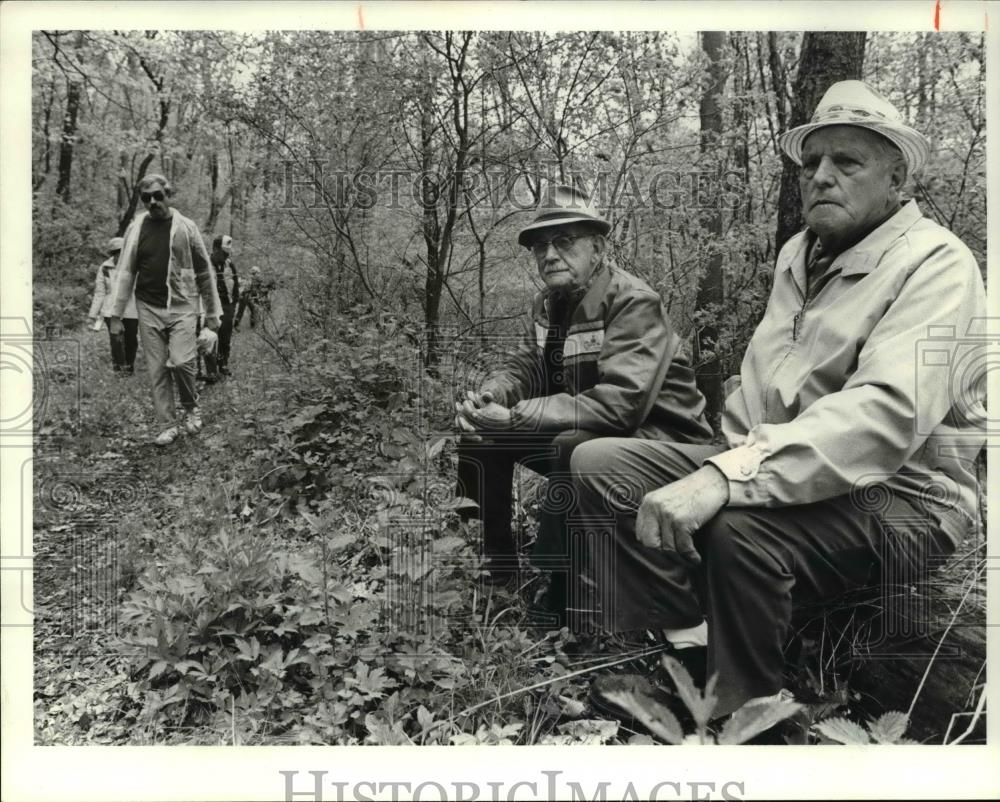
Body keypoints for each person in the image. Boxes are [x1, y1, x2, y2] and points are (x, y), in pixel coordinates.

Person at [568, 81, 987, 719]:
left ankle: (751, 717)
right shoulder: (799, 254)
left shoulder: (937, 265)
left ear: (896, 177)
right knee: (598, 464)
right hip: (784, 466)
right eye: (811, 163)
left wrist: (725, 476)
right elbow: (770, 385)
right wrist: (725, 454)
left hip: (906, 496)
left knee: (741, 526)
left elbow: (884, 416)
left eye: (847, 162)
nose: (821, 177)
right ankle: (694, 651)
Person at [453, 184, 713, 597]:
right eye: (540, 246)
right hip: (596, 431)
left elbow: (622, 405)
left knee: (569, 446)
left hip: (665, 442)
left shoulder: (632, 301)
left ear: (597, 247)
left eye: (564, 241)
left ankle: (565, 591)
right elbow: (525, 365)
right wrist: (493, 396)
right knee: (481, 436)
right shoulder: (547, 303)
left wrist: (519, 415)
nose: (550, 254)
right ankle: (494, 567)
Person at [107, 174, 222, 446]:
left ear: (168, 195)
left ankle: (191, 407)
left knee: (182, 361)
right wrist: (116, 315)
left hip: (182, 305)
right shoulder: (136, 227)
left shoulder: (186, 227)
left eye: (158, 195)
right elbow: (125, 271)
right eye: (147, 198)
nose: (153, 201)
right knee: (157, 369)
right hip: (147, 306)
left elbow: (205, 271)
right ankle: (168, 425)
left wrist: (212, 313)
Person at [87, 236, 138, 375]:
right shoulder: (104, 268)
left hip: (131, 309)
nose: (120, 255)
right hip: (110, 310)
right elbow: (100, 292)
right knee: (116, 340)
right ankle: (119, 370)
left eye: (122, 251)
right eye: (116, 252)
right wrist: (93, 315)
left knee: (131, 340)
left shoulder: (134, 267)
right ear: (112, 253)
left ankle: (129, 367)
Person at [210, 234, 240, 374]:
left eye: (227, 252)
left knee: (225, 337)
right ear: (215, 249)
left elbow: (235, 287)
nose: (225, 255)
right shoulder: (205, 264)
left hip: (227, 305)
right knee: (209, 337)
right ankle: (209, 368)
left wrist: (233, 305)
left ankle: (223, 364)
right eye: (223, 252)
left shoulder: (230, 265)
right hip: (210, 307)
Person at [235, 265, 274, 330]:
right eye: (258, 272)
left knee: (240, 312)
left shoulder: (247, 277)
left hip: (243, 296)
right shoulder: (257, 278)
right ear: (256, 272)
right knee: (253, 311)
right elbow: (263, 286)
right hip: (250, 296)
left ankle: (236, 324)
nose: (258, 274)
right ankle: (253, 326)